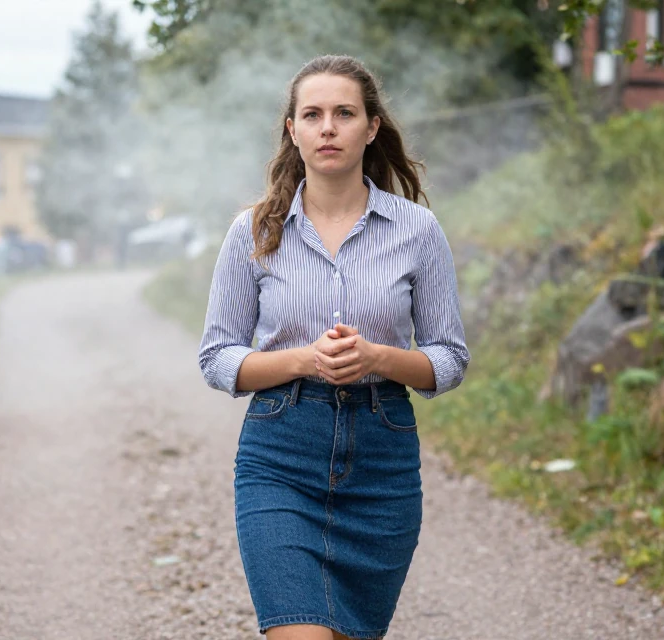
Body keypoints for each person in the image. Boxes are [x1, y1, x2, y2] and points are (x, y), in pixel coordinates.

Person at [198, 54, 470, 640]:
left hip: (382, 461)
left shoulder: (417, 231)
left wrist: (377, 358)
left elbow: (449, 357)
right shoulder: (253, 232)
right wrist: (302, 360)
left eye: (344, 113)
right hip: (280, 456)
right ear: (292, 130)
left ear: (371, 128)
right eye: (313, 114)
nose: (328, 127)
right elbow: (217, 358)